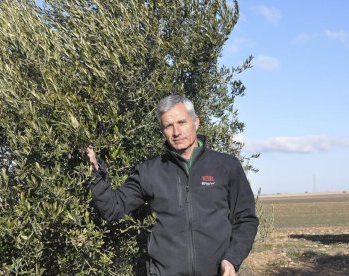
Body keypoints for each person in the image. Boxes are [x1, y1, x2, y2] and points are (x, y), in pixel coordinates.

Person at [86, 95, 259, 276]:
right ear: (163, 130)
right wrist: (95, 172)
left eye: (182, 122)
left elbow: (246, 219)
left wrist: (232, 259)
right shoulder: (150, 171)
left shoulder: (226, 166)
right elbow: (113, 208)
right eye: (168, 126)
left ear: (196, 122)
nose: (176, 132)